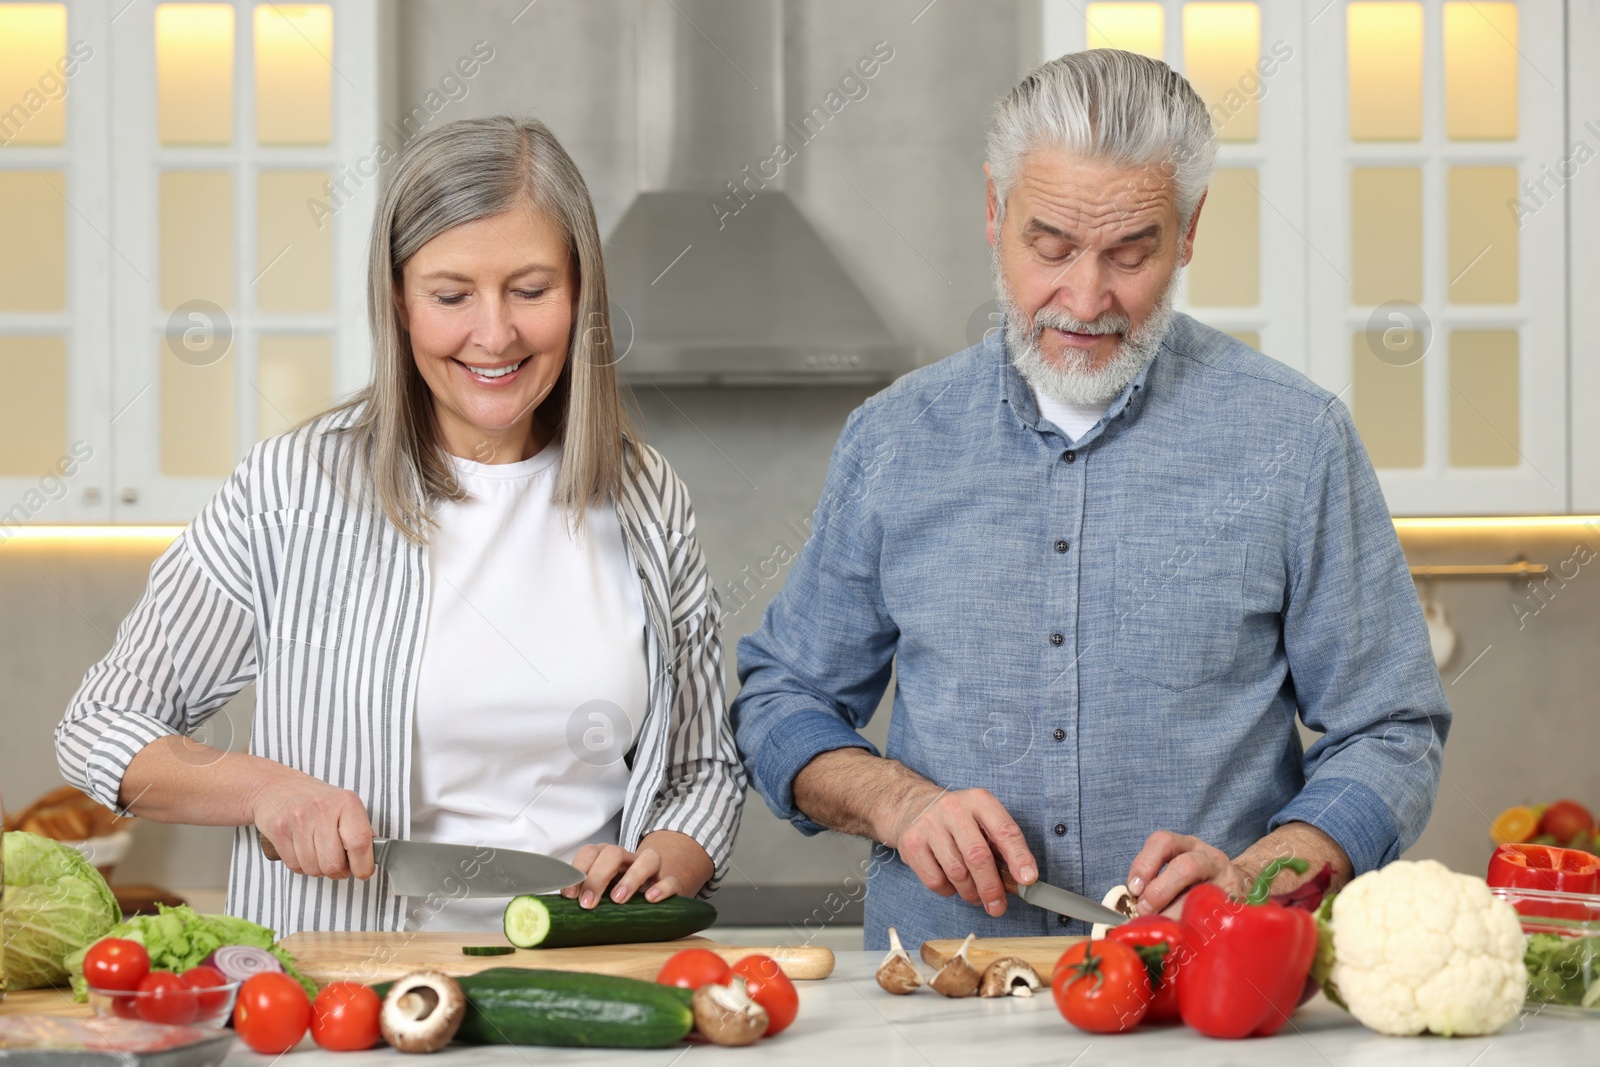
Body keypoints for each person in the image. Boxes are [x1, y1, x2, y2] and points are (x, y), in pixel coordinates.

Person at [731, 49, 1450, 951]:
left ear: (1188, 232)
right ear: (994, 213)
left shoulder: (1295, 441)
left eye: (1129, 251)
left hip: (1203, 994)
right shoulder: (893, 439)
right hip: (942, 995)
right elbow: (782, 693)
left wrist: (1255, 876)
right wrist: (896, 801)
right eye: (1051, 245)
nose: (1085, 296)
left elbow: (1391, 726)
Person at [55, 116, 745, 935]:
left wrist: (665, 854)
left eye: (530, 289)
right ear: (399, 300)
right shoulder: (292, 489)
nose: (495, 334)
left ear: (581, 291)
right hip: (342, 1005)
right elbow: (98, 726)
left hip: (579, 986)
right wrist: (269, 791)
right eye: (452, 295)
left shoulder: (645, 496)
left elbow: (704, 767)